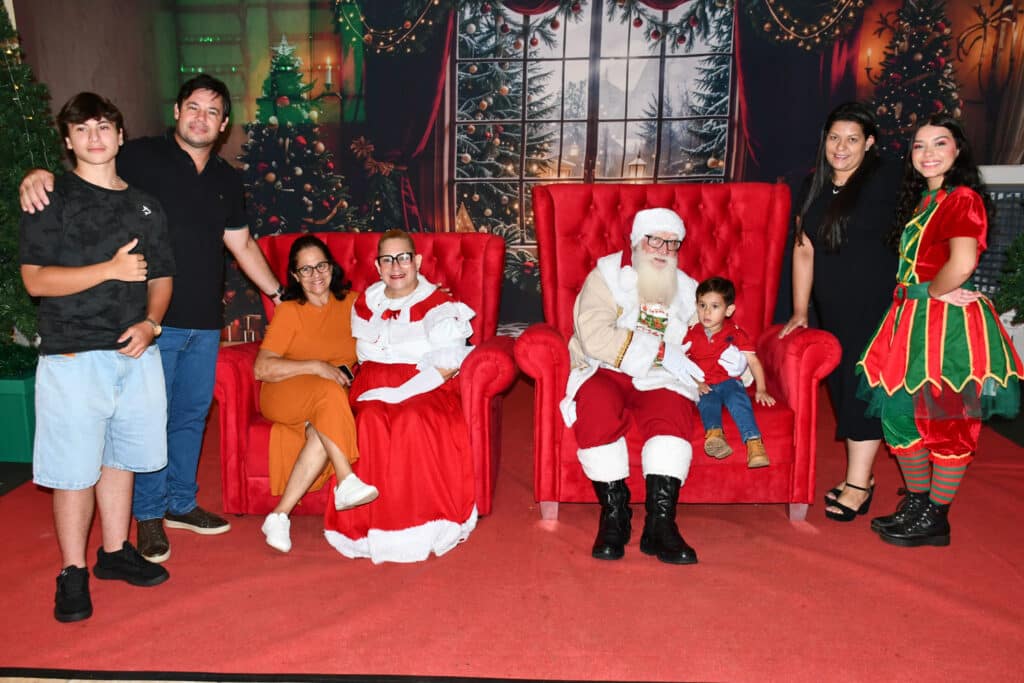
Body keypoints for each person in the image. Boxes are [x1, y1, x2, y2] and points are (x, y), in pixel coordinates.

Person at [20, 75, 287, 563]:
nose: (201, 118)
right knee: (143, 427)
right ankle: (147, 518)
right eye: (193, 107)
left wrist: (278, 293)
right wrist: (39, 174)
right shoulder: (140, 155)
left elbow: (242, 243)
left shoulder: (227, 179)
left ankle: (180, 503)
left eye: (212, 111)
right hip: (145, 321)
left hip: (204, 320)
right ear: (178, 111)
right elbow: (88, 165)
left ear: (223, 124)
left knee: (190, 417)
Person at [19, 93, 173, 622]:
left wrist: (151, 323)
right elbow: (36, 280)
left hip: (134, 353)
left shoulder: (146, 205)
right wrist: (108, 269)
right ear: (68, 140)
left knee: (120, 458)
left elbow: (161, 276)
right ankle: (71, 571)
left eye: (104, 126)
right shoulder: (50, 197)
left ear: (120, 135)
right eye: (82, 128)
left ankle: (113, 551)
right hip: (72, 354)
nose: (94, 136)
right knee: (73, 471)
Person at [858, 114, 1022, 547]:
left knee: (948, 421)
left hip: (946, 328)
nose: (928, 153)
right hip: (911, 320)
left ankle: (936, 517)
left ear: (958, 150)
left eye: (940, 143)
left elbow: (963, 262)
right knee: (898, 417)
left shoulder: (962, 198)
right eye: (919, 145)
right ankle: (919, 502)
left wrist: (934, 291)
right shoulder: (925, 201)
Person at [561, 208, 747, 566]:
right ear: (636, 241)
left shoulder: (689, 289)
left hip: (663, 375)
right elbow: (593, 335)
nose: (664, 250)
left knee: (672, 414)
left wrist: (730, 358)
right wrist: (656, 350)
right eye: (655, 240)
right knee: (595, 405)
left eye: (673, 243)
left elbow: (706, 337)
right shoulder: (606, 276)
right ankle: (614, 515)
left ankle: (660, 524)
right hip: (608, 366)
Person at [323, 229, 478, 563]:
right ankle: (368, 528)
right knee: (369, 422)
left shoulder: (439, 304)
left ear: (417, 261)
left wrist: (399, 393)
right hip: (371, 383)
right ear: (377, 266)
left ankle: (419, 526)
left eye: (404, 258)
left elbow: (447, 366)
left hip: (424, 384)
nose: (396, 266)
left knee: (412, 420)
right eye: (387, 259)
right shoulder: (366, 302)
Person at [779, 102, 900, 522]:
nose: (841, 147)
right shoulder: (814, 183)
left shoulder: (885, 180)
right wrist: (800, 309)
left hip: (876, 304)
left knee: (860, 391)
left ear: (869, 143)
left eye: (852, 139)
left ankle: (858, 483)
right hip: (833, 308)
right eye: (834, 138)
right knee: (844, 388)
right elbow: (804, 248)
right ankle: (861, 476)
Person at [253, 236, 378, 553]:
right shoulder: (290, 311)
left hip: (327, 397)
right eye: (305, 269)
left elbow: (393, 307)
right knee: (329, 389)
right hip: (284, 392)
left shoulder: (353, 303)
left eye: (320, 265)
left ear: (331, 267)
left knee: (323, 425)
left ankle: (279, 516)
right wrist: (316, 366)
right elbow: (262, 368)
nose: (315, 275)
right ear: (295, 276)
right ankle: (346, 480)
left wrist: (429, 295)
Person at [685, 277, 775, 468]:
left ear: (729, 310)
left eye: (715, 306)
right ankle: (715, 436)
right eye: (702, 305)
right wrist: (696, 383)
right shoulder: (690, 334)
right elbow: (684, 363)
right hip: (705, 384)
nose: (707, 312)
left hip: (729, 382)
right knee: (707, 403)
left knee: (738, 400)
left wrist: (761, 389)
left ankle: (754, 444)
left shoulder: (736, 333)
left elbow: (753, 361)